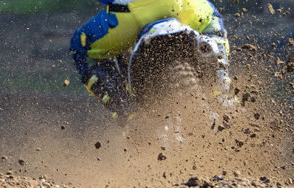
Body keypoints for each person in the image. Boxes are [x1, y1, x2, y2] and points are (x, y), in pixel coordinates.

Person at [70, 0, 230, 124]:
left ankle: (129, 112)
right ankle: (220, 89)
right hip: (181, 6)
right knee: (211, 20)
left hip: (130, 14)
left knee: (80, 48)